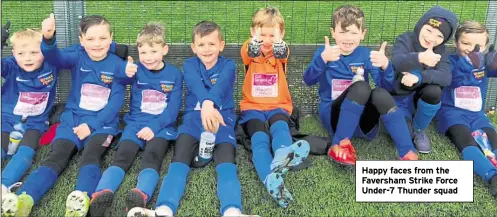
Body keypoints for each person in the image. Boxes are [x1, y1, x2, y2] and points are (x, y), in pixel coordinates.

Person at [1, 14, 128, 217]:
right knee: (55, 157)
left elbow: (115, 103)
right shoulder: (77, 55)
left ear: (111, 38)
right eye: (91, 39)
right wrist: (48, 38)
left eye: (103, 38)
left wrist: (92, 125)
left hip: (102, 125)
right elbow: (54, 57)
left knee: (91, 156)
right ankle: (25, 199)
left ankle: (80, 200)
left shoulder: (119, 66)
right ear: (81, 40)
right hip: (72, 120)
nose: (97, 44)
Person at [127, 21, 258, 217]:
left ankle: (232, 211)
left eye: (212, 44)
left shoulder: (229, 65)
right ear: (193, 47)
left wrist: (208, 104)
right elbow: (195, 84)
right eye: (201, 45)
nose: (207, 49)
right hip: (192, 122)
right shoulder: (189, 65)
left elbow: (221, 85)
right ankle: (164, 209)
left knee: (227, 164)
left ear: (221, 45)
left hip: (222, 121)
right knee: (179, 162)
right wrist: (205, 106)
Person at [86, 22, 183, 217]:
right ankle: (101, 193)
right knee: (122, 156)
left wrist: (154, 128)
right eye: (143, 52)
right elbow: (119, 81)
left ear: (164, 49)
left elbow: (173, 110)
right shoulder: (136, 69)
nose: (148, 58)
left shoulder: (174, 74)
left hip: (161, 127)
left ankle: (140, 195)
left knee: (152, 158)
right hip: (134, 124)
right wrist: (124, 72)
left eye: (153, 51)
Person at [303, 5, 419, 166]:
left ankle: (407, 151)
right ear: (333, 32)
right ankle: (338, 145)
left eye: (353, 32)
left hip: (362, 124)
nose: (348, 37)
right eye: (343, 32)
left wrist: (386, 66)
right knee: (362, 87)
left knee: (378, 93)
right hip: (334, 117)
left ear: (362, 34)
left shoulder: (366, 55)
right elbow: (308, 80)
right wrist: (322, 60)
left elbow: (386, 88)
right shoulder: (325, 52)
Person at [238, 6, 310, 208]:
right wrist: (255, 39)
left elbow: (281, 50)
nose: (267, 40)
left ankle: (282, 156)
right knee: (259, 140)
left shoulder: (281, 51)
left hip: (278, 106)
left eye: (272, 35)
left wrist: (278, 39)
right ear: (253, 33)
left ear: (280, 34)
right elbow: (250, 50)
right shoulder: (249, 49)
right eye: (263, 34)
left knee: (280, 128)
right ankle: (270, 178)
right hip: (252, 107)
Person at [435, 20, 497, 198]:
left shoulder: (486, 62)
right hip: (451, 114)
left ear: (485, 46)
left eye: (478, 45)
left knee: (493, 140)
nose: (471, 48)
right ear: (455, 43)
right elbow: (447, 78)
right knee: (465, 141)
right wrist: (467, 63)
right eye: (465, 43)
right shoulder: (448, 61)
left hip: (477, 115)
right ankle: (491, 176)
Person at [390, 6, 458, 153]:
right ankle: (407, 123)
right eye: (429, 30)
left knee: (434, 91)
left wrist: (419, 76)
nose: (431, 39)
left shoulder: (442, 51)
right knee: (403, 135)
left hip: (420, 97)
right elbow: (395, 62)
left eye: (440, 36)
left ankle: (419, 129)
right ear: (421, 25)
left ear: (445, 39)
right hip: (398, 96)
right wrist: (419, 58)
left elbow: (446, 77)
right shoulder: (405, 39)